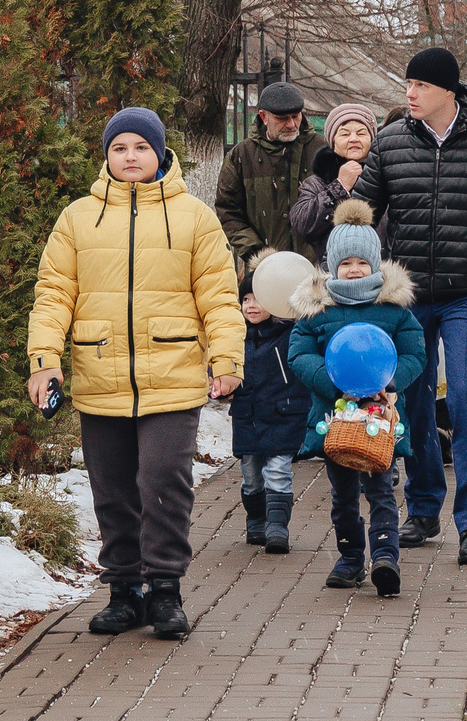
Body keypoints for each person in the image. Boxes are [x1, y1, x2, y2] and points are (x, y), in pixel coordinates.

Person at [28, 108, 243, 639]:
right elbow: (54, 294)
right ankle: (124, 591)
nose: (130, 157)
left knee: (163, 480)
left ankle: (165, 589)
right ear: (106, 155)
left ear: (159, 153)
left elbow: (218, 296)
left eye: (140, 148)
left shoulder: (195, 217)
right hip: (101, 376)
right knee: (113, 489)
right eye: (120, 148)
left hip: (172, 374)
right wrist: (44, 361)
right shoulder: (77, 217)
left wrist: (227, 359)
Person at [350, 46, 467, 564]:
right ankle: (423, 507)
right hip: (408, 296)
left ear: (448, 92)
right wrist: (350, 231)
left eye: (420, 86)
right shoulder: (390, 143)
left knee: (463, 394)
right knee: (412, 402)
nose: (409, 93)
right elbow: (363, 214)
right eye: (407, 84)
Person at [288, 201, 427, 597]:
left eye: (361, 262)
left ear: (375, 263)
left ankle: (386, 556)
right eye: (344, 262)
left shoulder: (393, 308)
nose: (353, 269)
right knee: (343, 493)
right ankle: (349, 558)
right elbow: (299, 355)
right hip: (336, 415)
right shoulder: (317, 311)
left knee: (381, 488)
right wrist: (333, 384)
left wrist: (392, 381)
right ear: (332, 266)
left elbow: (415, 352)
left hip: (380, 415)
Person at [214, 80, 327, 280]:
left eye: (296, 116)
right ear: (264, 117)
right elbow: (228, 211)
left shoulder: (323, 150)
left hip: (320, 269)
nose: (291, 124)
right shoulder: (241, 156)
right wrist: (258, 254)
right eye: (282, 118)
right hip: (266, 274)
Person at [230, 282, 310, 551]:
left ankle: (277, 527)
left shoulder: (289, 334)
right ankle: (256, 518)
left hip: (283, 414)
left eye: (259, 299)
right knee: (251, 477)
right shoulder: (235, 336)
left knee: (278, 471)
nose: (251, 306)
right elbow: (223, 368)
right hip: (247, 415)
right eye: (246, 299)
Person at [288, 101, 382, 252]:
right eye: (344, 134)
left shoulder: (385, 178)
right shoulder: (316, 183)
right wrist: (339, 186)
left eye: (361, 133)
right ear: (332, 142)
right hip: (333, 270)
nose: (353, 139)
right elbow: (302, 226)